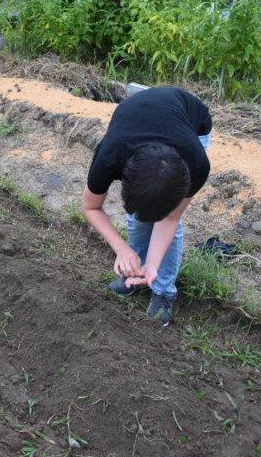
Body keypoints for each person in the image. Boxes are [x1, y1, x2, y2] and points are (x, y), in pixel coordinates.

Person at [81, 87, 212, 326]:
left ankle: (163, 290)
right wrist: (121, 248)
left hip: (192, 122)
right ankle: (135, 269)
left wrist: (154, 263)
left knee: (169, 220)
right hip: (136, 119)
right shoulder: (110, 155)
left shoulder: (196, 164)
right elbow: (90, 207)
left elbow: (169, 219)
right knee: (138, 219)